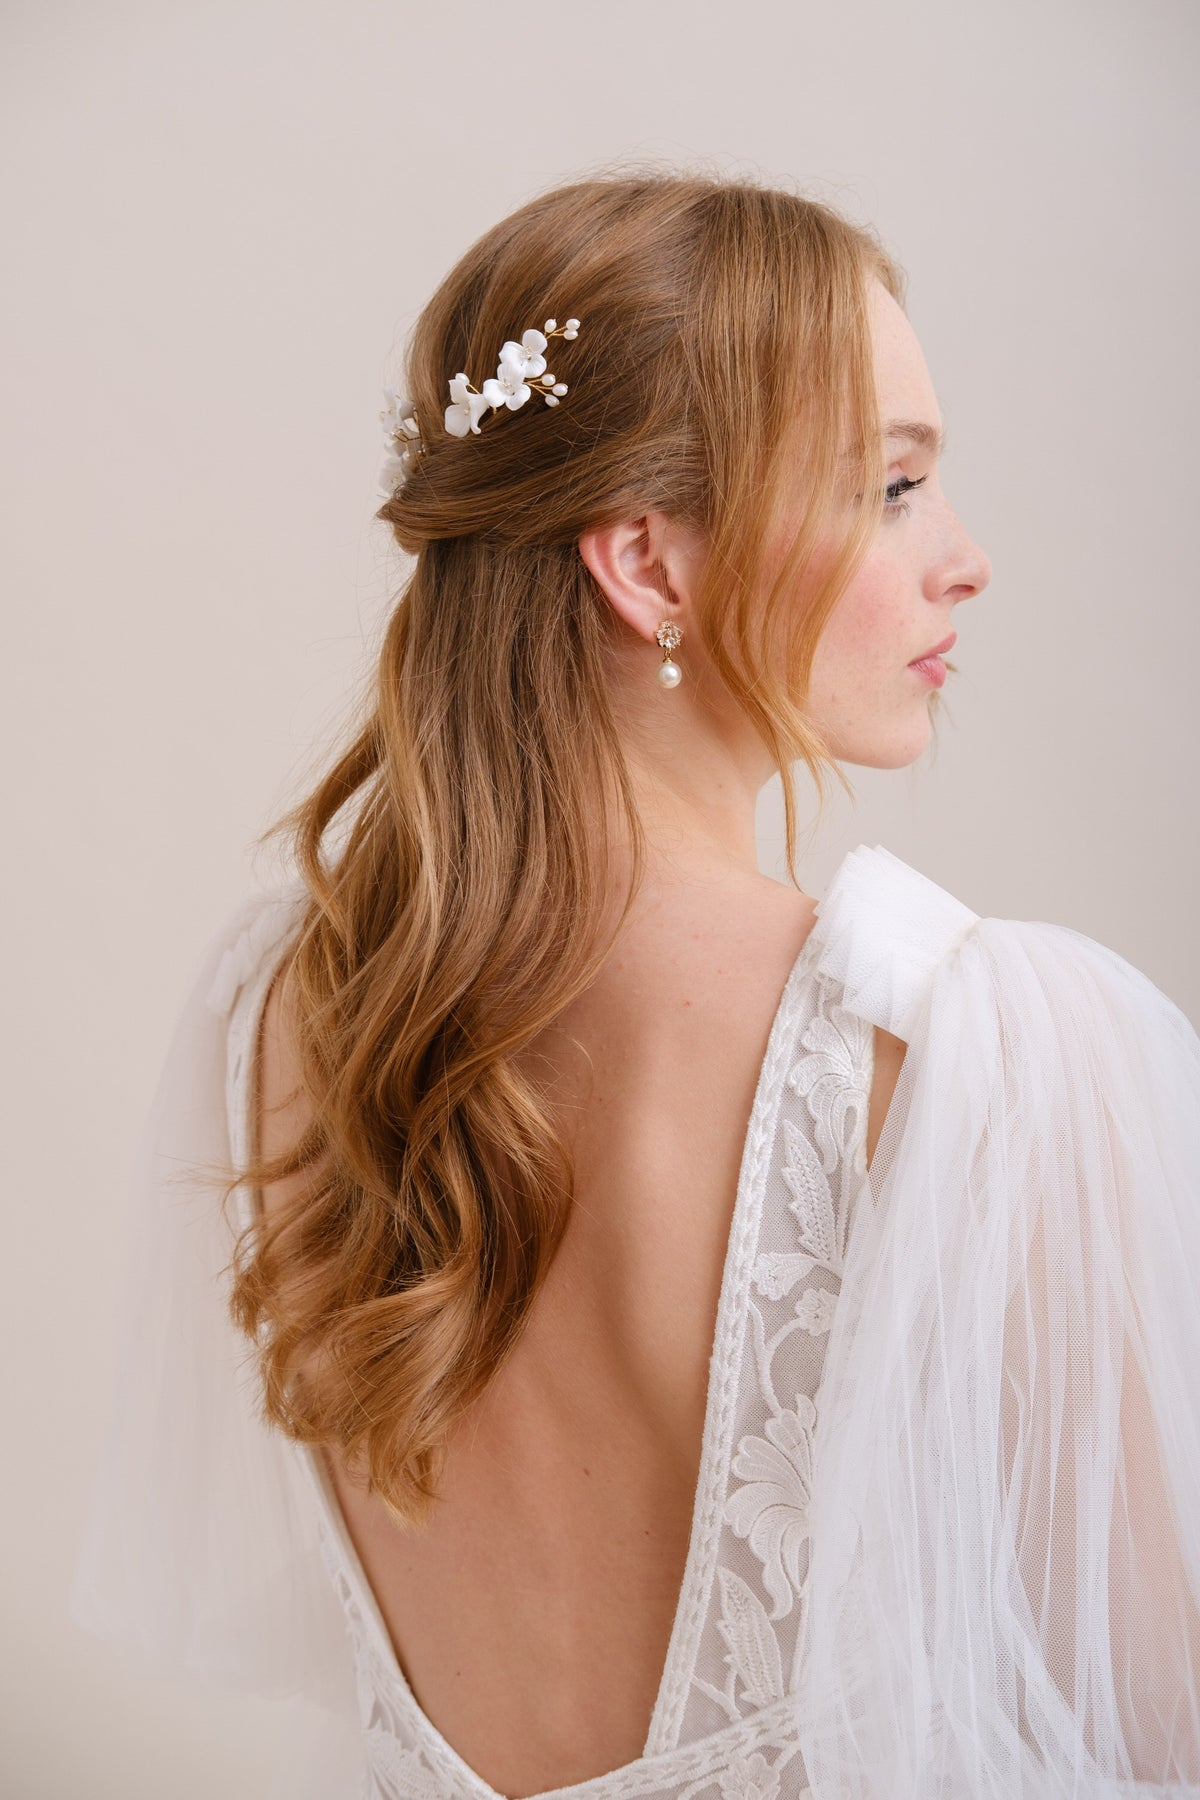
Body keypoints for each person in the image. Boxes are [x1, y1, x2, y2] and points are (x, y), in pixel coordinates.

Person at [74, 173, 1200, 1799]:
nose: (966, 560)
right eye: (892, 486)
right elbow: (1159, 1731)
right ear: (650, 566)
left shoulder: (283, 1010)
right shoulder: (974, 1050)